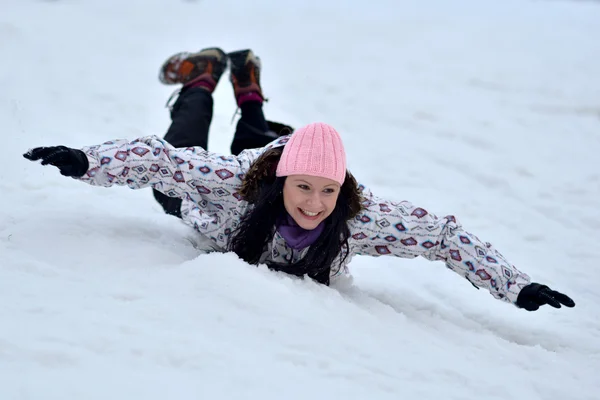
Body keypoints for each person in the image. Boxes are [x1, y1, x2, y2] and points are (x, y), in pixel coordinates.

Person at [23, 47, 575, 312]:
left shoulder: (357, 218)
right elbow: (158, 160)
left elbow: (443, 236)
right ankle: (204, 76)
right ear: (281, 179)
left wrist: (516, 285)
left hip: (272, 162)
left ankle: (249, 88)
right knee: (182, 140)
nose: (315, 203)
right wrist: (86, 161)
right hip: (206, 201)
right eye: (305, 187)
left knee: (259, 136)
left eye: (327, 189)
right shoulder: (237, 180)